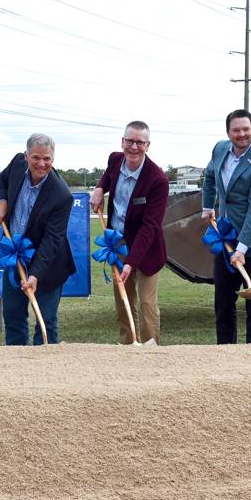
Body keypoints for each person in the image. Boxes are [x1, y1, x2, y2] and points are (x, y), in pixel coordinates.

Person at [200, 109, 251, 344]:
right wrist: (208, 206)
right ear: (228, 132)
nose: (242, 134)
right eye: (236, 130)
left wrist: (242, 249)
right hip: (226, 234)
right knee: (223, 299)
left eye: (246, 129)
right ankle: (225, 350)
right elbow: (209, 177)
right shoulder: (219, 149)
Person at [89, 121, 169, 344]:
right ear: (122, 141)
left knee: (146, 303)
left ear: (148, 145)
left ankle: (150, 348)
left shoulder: (158, 180)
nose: (134, 147)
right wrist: (99, 189)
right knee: (123, 300)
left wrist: (130, 262)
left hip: (148, 247)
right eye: (130, 141)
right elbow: (107, 175)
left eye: (140, 142)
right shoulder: (115, 159)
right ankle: (127, 345)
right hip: (118, 242)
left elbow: (150, 226)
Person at [0, 133, 75, 345]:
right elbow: (1, 180)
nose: (41, 163)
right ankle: (16, 365)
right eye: (36, 157)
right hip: (15, 257)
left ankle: (46, 368)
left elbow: (52, 241)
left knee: (45, 320)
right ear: (26, 156)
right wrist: (2, 202)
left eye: (47, 159)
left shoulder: (62, 195)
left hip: (48, 264)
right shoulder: (17, 164)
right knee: (13, 316)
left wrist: (35, 274)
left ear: (53, 159)